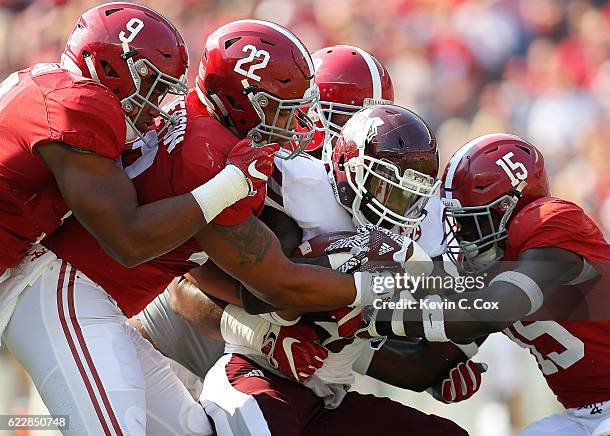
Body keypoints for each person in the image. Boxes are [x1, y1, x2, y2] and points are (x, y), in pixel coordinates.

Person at [0, 21, 411, 436]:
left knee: (192, 432)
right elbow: (277, 283)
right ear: (239, 100)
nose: (295, 122)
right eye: (279, 107)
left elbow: (215, 270)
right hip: (67, 293)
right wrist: (382, 284)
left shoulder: (209, 134)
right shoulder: (212, 157)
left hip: (97, 300)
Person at [135, 105, 470, 435]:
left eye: (406, 196)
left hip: (324, 395)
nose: (396, 206)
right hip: (181, 355)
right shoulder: (298, 191)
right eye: (386, 188)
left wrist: (444, 361)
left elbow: (371, 350)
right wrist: (265, 336)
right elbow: (202, 282)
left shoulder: (419, 236)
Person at [0, 2, 275, 284]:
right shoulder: (80, 104)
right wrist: (233, 181)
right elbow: (129, 241)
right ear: (109, 67)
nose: (156, 108)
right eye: (152, 90)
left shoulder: (48, 79)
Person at [358, 133, 610, 435]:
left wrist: (375, 317)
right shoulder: (487, 265)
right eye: (457, 220)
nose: (462, 234)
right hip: (583, 414)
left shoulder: (550, 220)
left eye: (470, 220)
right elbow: (421, 367)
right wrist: (340, 346)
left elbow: (496, 309)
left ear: (506, 206)